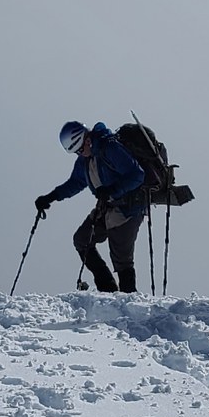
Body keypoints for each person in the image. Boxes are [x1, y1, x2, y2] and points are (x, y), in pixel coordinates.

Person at [36, 121, 147, 293]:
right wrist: (51, 197)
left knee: (121, 258)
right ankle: (108, 289)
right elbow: (75, 183)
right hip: (106, 207)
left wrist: (112, 190)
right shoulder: (85, 161)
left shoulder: (110, 148)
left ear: (87, 140)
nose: (79, 154)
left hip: (128, 208)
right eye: (76, 152)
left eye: (80, 149)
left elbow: (137, 175)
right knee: (82, 240)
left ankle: (129, 298)